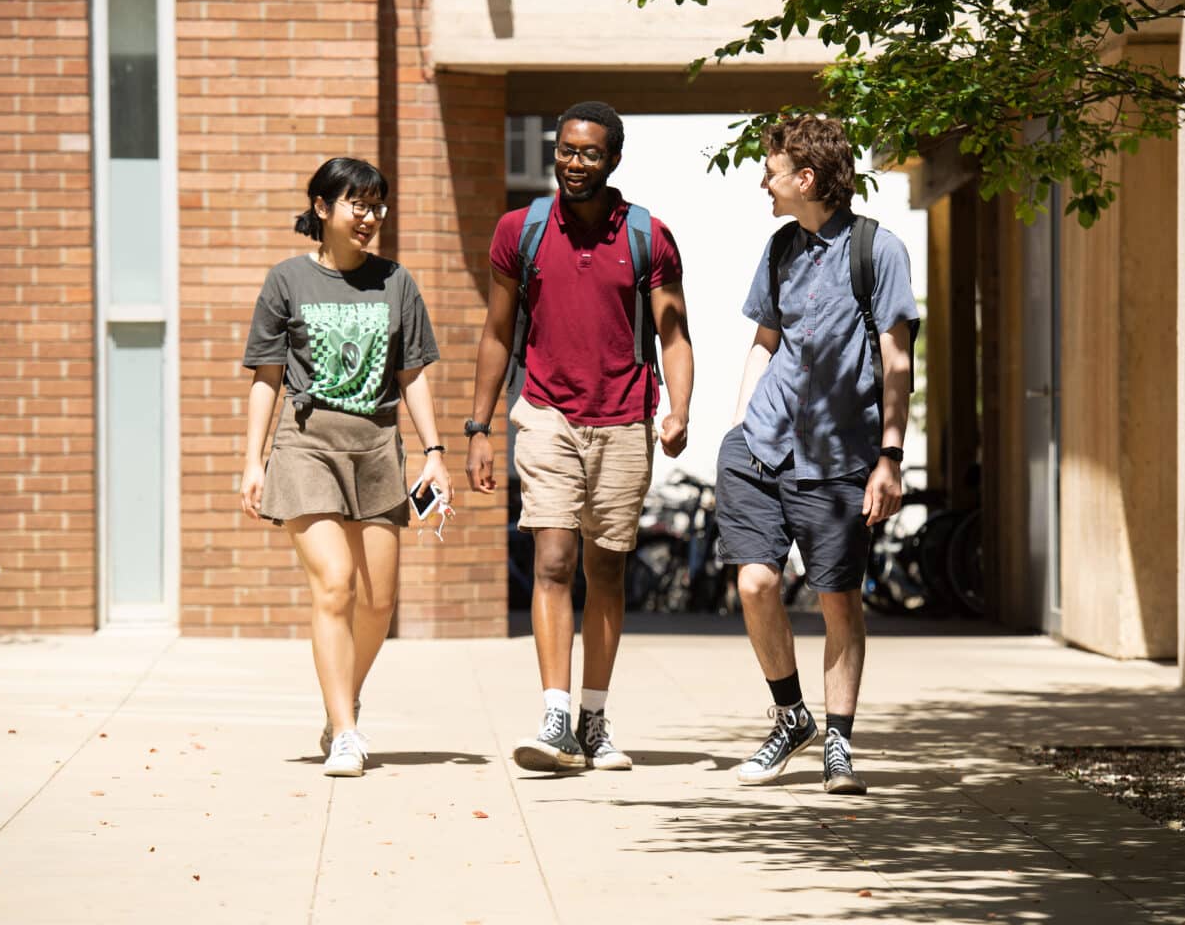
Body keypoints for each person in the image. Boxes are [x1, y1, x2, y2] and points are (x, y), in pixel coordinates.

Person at [466, 101, 694, 771]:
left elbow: (674, 333)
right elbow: (497, 333)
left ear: (613, 159)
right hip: (546, 414)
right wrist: (478, 426)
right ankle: (556, 717)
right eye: (565, 150)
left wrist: (679, 407)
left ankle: (595, 718)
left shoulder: (649, 235)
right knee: (554, 560)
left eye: (589, 153)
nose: (574, 163)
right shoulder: (522, 230)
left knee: (607, 568)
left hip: (624, 417)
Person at [715, 115, 918, 794]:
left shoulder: (878, 252)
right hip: (761, 446)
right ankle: (790, 715)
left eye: (770, 172)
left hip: (839, 461)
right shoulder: (779, 249)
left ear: (805, 178)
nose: (762, 184)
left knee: (838, 601)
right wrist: (740, 423)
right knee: (755, 583)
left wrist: (890, 456)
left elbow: (897, 362)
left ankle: (838, 741)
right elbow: (766, 339)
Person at [240, 157, 450, 778]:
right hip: (307, 443)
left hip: (378, 446)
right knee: (336, 581)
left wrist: (435, 453)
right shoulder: (287, 281)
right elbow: (267, 378)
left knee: (379, 601)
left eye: (376, 206)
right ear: (323, 207)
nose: (369, 218)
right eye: (357, 205)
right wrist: (252, 461)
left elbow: (412, 375)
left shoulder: (397, 282)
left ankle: (341, 704)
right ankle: (349, 734)